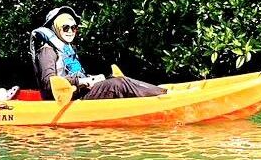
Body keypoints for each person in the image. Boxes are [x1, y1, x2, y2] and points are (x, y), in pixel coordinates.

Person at [32, 6, 166, 101]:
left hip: (79, 93)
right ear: (55, 28)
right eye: (65, 27)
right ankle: (162, 97)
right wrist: (81, 81)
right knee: (118, 84)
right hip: (66, 99)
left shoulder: (67, 49)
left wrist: (91, 79)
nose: (70, 31)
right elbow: (48, 84)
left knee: (117, 79)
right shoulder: (47, 51)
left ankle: (161, 91)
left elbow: (76, 75)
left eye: (73, 28)